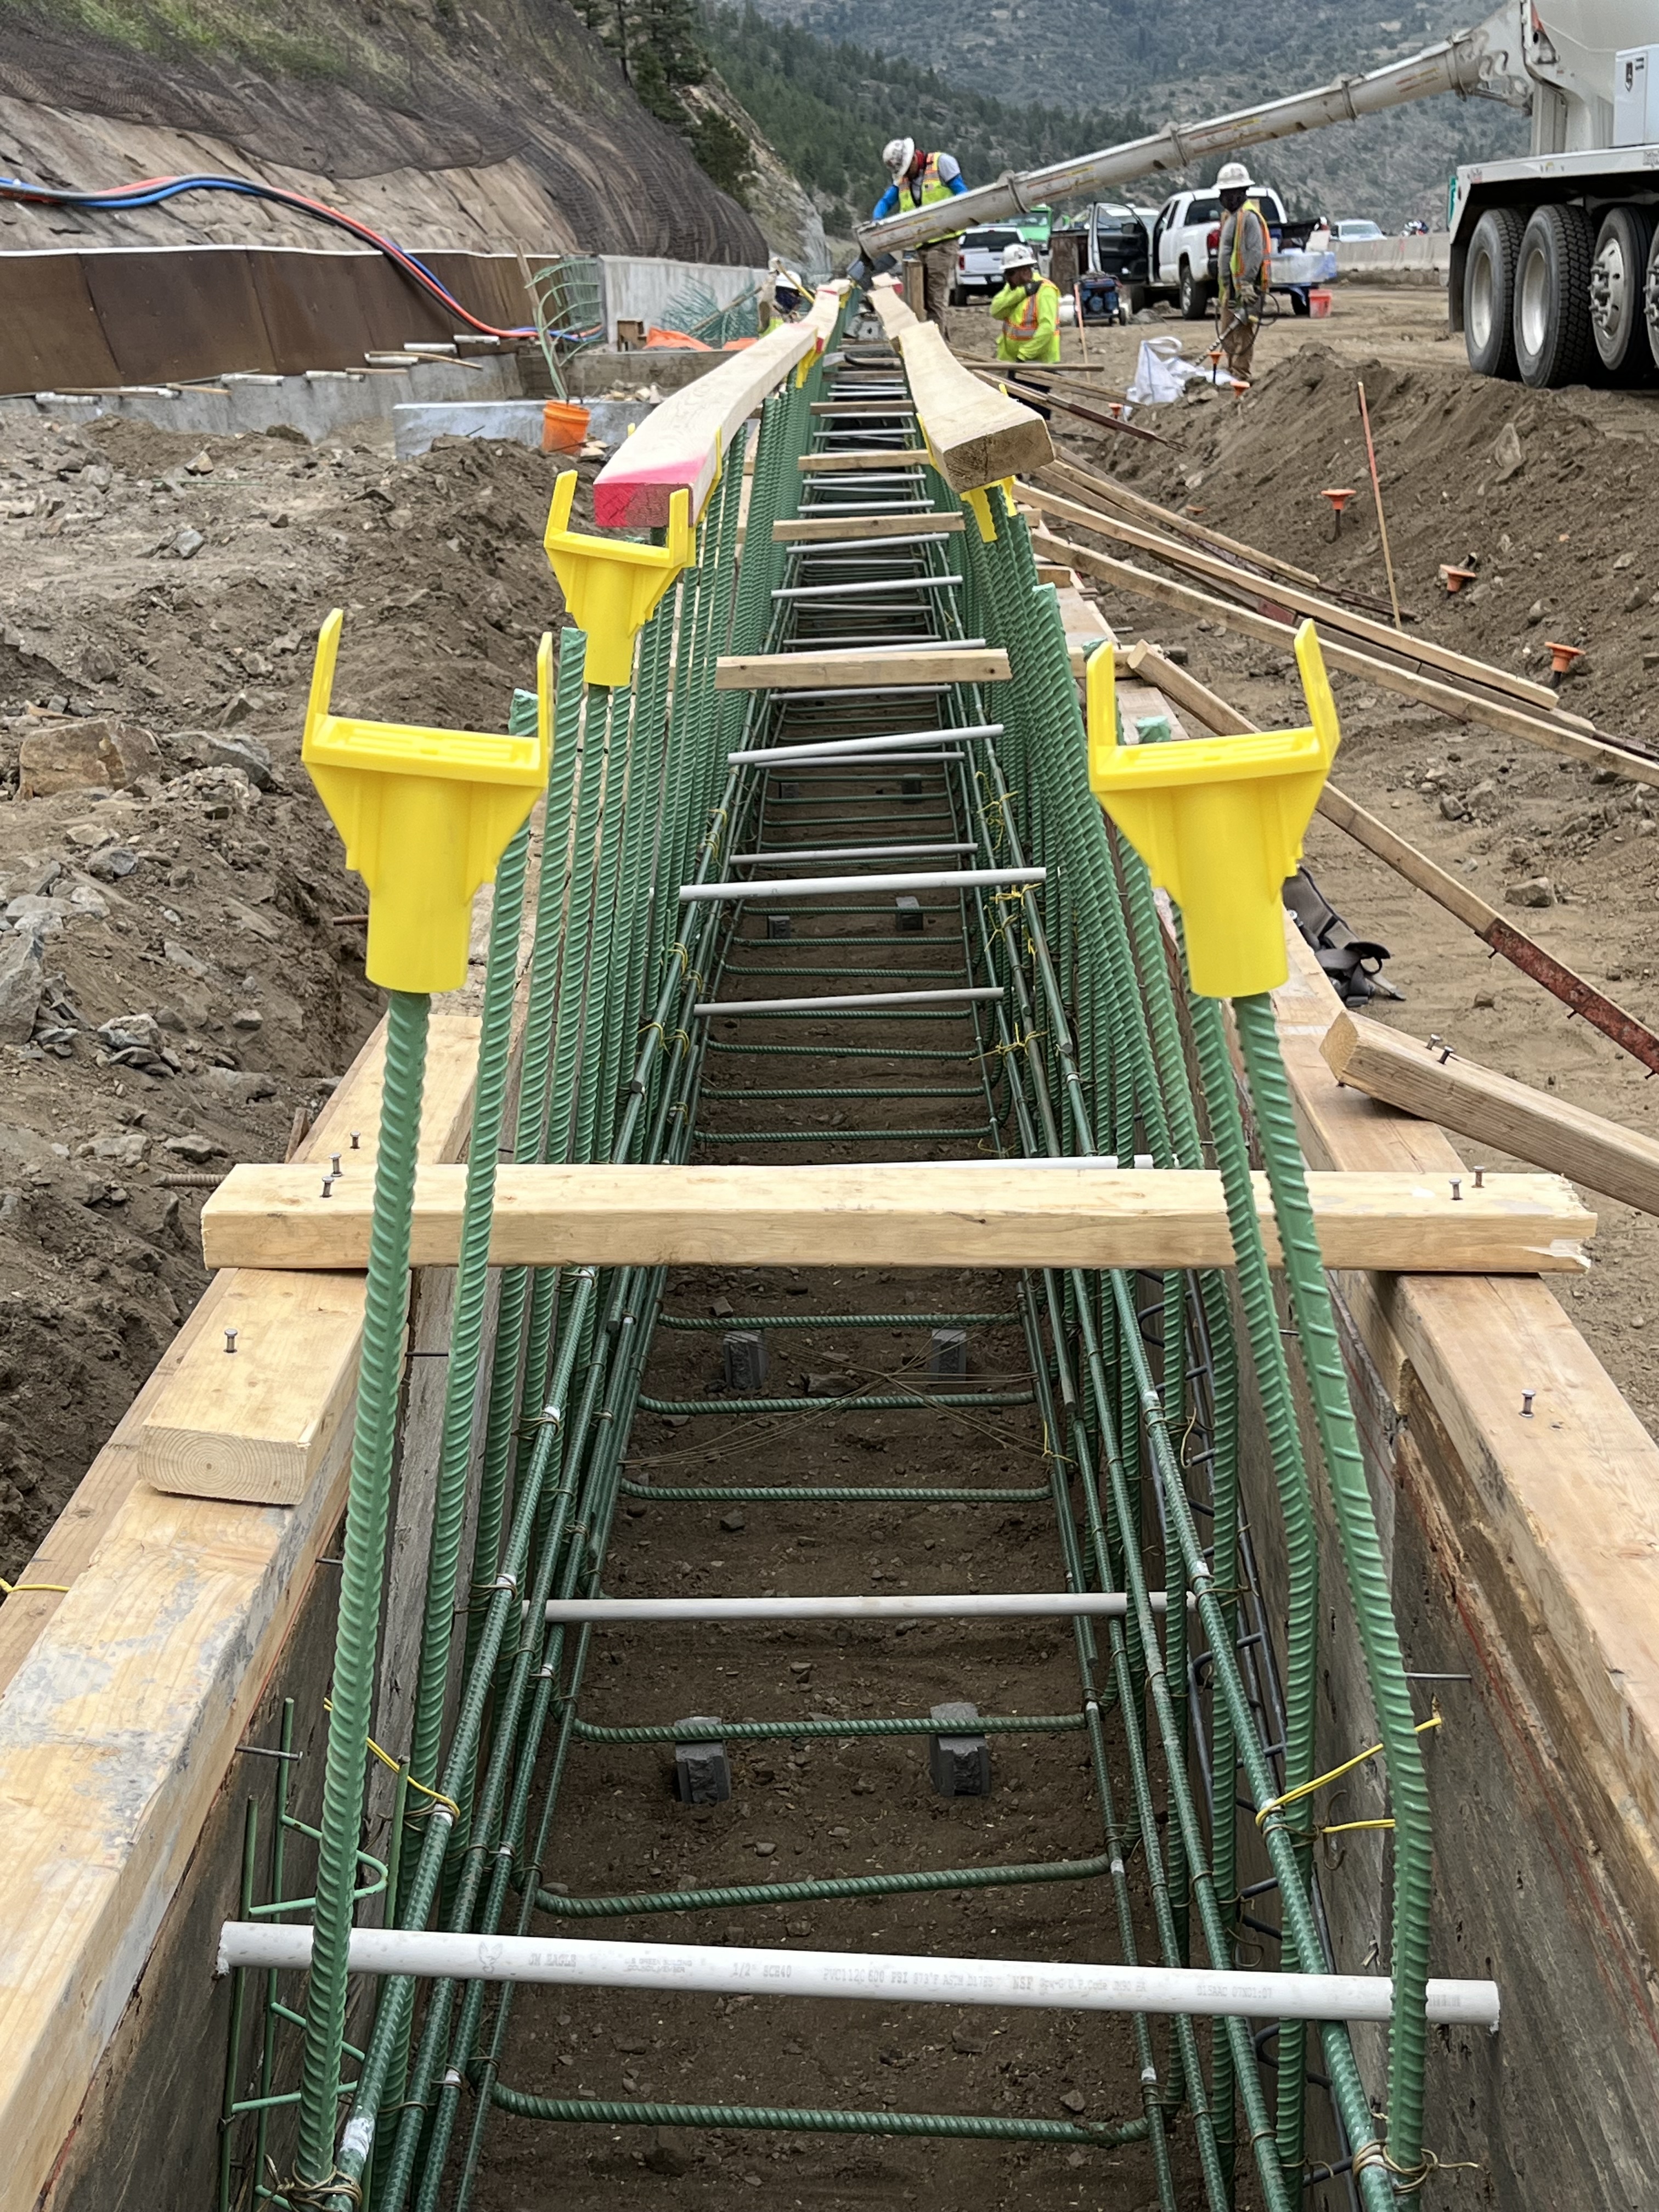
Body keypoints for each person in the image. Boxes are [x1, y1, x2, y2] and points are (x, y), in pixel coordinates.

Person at [874, 137, 968, 327]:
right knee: (920, 298)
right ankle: (936, 339)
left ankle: (937, 347)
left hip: (943, 243)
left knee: (934, 298)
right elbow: (885, 202)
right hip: (921, 245)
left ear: (914, 159)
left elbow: (964, 196)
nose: (906, 174)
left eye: (907, 169)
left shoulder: (941, 164)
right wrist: (876, 221)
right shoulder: (903, 180)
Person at [1214, 161, 1270, 383]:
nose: (1224, 197)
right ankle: (1230, 375)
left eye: (1228, 193)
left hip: (1245, 288)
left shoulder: (1249, 217)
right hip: (1230, 288)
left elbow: (1255, 253)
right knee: (1228, 333)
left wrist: (1247, 284)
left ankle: (1241, 376)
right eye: (1223, 193)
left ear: (1240, 193)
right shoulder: (1231, 217)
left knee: (1243, 333)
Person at [990, 239, 1060, 364]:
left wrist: (1023, 355)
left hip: (1037, 363)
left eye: (1010, 273)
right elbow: (995, 311)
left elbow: (1047, 329)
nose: (1007, 278)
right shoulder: (1014, 288)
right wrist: (1023, 293)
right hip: (1011, 361)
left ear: (1025, 272)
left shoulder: (1046, 291)